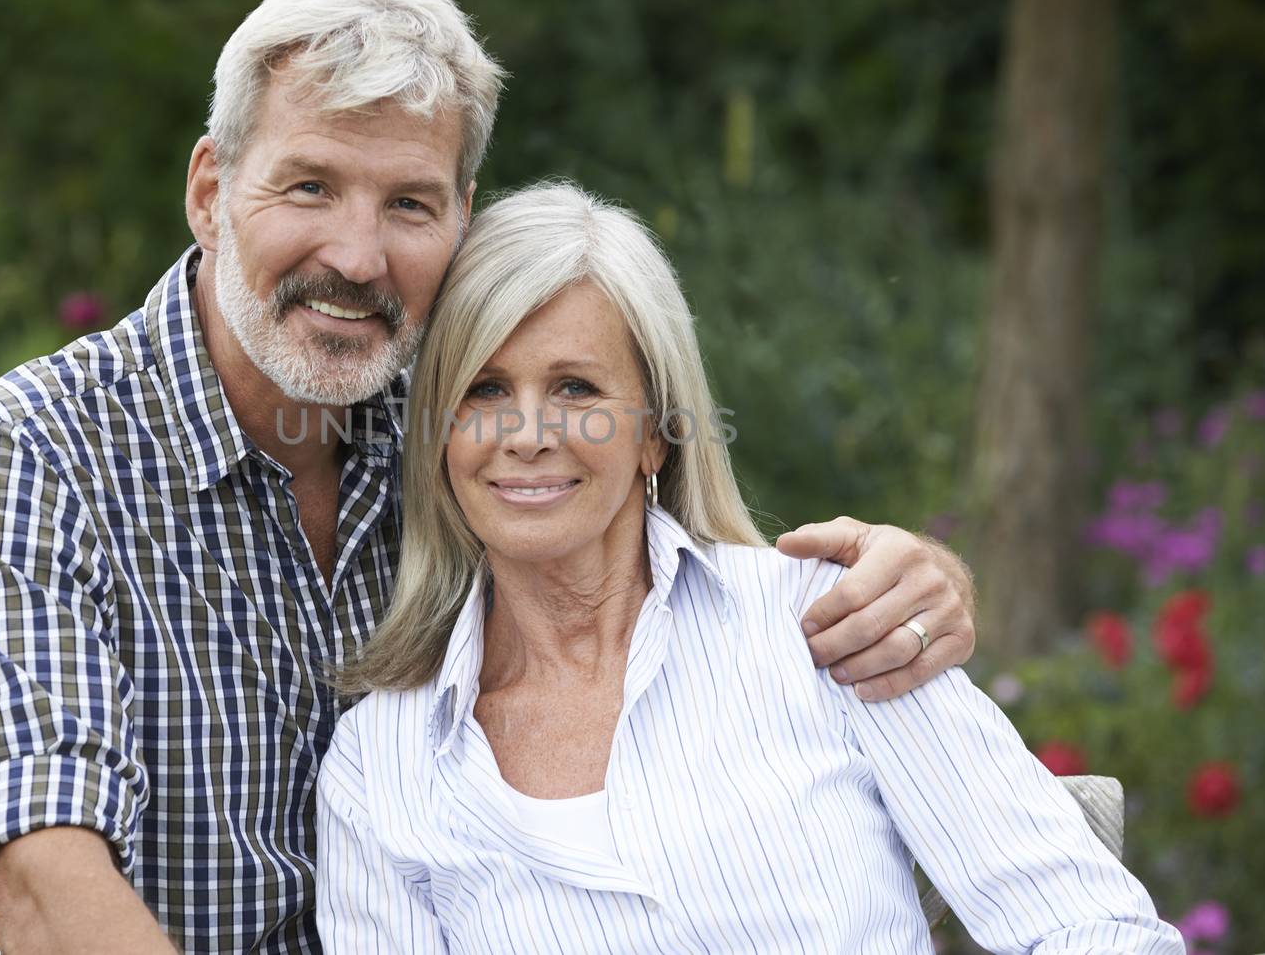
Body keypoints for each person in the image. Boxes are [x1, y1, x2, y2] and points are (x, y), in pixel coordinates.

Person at [0, 0, 977, 955]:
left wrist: (914, 583)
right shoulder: (38, 457)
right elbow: (42, 890)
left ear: (462, 222)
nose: (357, 255)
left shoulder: (459, 426)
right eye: (309, 188)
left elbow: (673, 575)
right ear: (208, 191)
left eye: (408, 204)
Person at [314, 182, 1184, 954]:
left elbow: (1087, 923)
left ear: (656, 429)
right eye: (484, 390)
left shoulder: (826, 626)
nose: (528, 433)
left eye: (577, 388)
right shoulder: (381, 760)